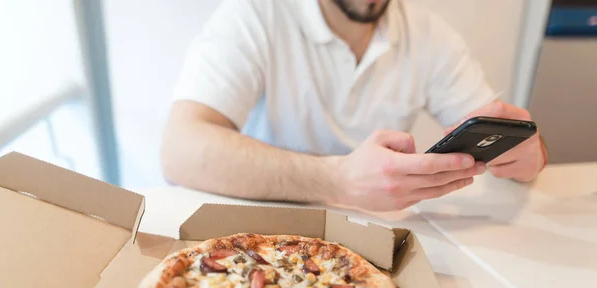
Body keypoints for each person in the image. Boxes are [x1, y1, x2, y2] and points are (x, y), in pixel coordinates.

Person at [161, 0, 547, 211]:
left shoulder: (428, 33)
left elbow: (498, 131)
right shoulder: (255, 14)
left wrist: (528, 154)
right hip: (269, 228)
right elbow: (179, 151)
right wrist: (338, 179)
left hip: (387, 240)